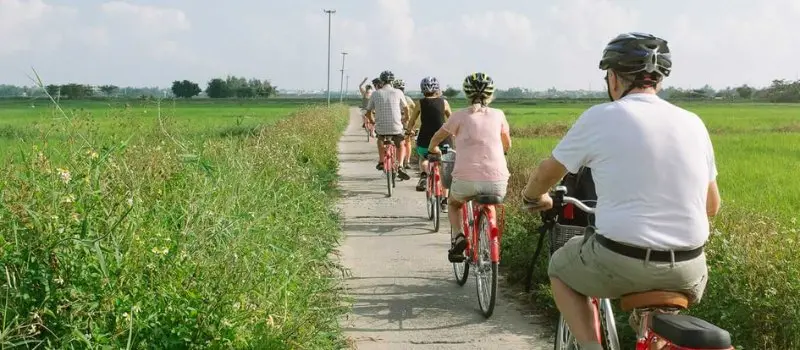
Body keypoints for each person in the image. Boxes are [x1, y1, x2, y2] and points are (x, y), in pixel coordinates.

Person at [520, 32, 721, 350]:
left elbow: (549, 171)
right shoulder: (694, 123)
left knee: (559, 267)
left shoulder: (601, 117)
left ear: (613, 79)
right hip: (689, 269)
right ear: (659, 81)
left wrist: (534, 198)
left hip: (621, 262)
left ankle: (590, 346)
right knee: (653, 320)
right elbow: (713, 205)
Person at [428, 72, 511, 262]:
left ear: (466, 93)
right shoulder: (499, 115)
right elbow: (507, 144)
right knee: (486, 195)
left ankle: (459, 237)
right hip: (498, 183)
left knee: (453, 203)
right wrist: (503, 151)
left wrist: (434, 149)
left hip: (465, 181)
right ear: (490, 94)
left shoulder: (459, 117)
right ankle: (488, 237)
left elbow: (437, 137)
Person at [406, 76, 453, 209]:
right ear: (437, 89)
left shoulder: (420, 103)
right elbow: (452, 119)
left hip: (425, 140)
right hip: (445, 140)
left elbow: (412, 120)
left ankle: (423, 175)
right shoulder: (444, 102)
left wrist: (408, 131)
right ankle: (444, 201)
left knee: (423, 157)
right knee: (444, 169)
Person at [365, 70, 412, 180]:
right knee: (401, 143)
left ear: (381, 81)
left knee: (380, 139)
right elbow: (406, 108)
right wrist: (406, 118)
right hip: (396, 127)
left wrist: (373, 122)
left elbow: (368, 112)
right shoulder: (398, 92)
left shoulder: (375, 93)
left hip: (381, 127)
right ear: (392, 81)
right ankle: (400, 165)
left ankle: (381, 161)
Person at [392, 78, 416, 169]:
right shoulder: (408, 99)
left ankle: (397, 160)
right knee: (407, 141)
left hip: (395, 122)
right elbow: (414, 109)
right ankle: (407, 162)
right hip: (406, 123)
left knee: (396, 143)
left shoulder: (392, 98)